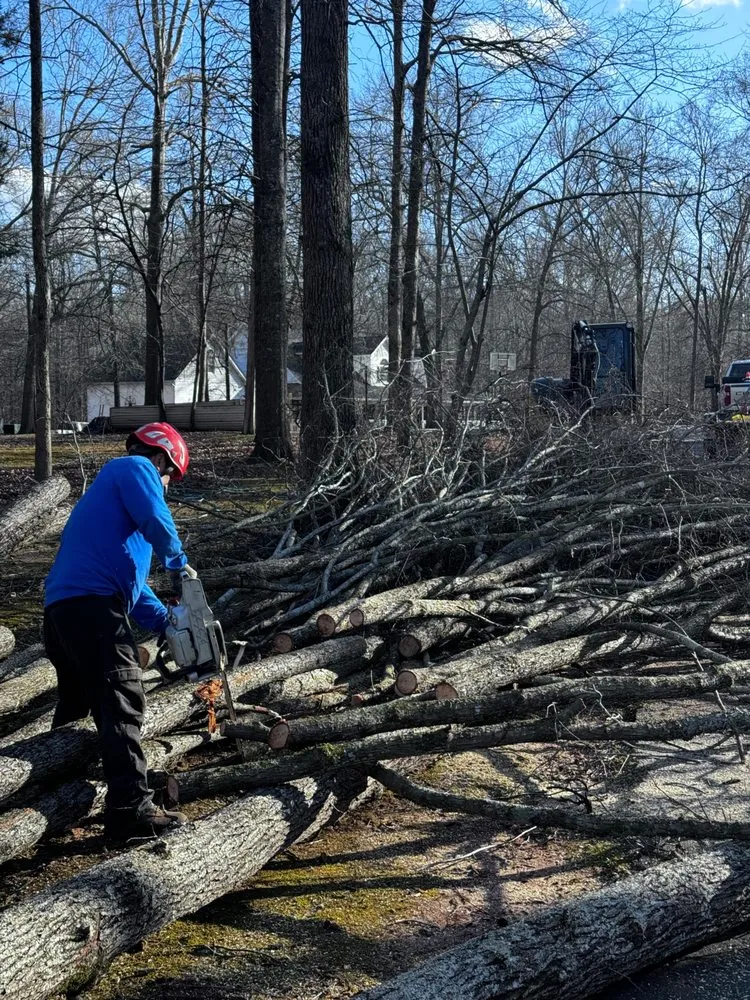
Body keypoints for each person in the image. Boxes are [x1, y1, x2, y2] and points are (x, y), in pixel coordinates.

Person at [44, 421, 197, 842]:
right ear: (161, 457)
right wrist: (178, 563)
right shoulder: (133, 468)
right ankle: (131, 809)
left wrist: (165, 623)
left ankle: (55, 795)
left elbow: (135, 588)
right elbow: (156, 518)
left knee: (77, 705)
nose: (166, 485)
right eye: (169, 477)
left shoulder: (113, 506)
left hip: (64, 610)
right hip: (90, 606)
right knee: (123, 696)